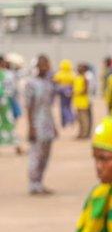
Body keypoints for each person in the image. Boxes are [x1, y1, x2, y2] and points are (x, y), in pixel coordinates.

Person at [25, 55, 57, 195]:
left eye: (47, 64)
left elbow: (49, 106)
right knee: (36, 154)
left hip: (47, 123)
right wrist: (31, 127)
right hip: (37, 124)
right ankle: (33, 184)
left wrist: (54, 126)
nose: (46, 67)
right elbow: (29, 107)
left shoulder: (48, 83)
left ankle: (40, 182)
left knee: (46, 154)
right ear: (38, 66)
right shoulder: (31, 84)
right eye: (43, 65)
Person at [0, 56, 23, 155]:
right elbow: (13, 89)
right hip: (6, 100)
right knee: (9, 123)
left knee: (8, 123)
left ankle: (18, 147)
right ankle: (17, 147)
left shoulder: (7, 74)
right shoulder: (8, 74)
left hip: (6, 100)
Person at [52, 59, 76, 128]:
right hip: (70, 92)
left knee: (63, 107)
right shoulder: (72, 74)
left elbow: (55, 81)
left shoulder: (59, 74)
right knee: (69, 106)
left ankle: (68, 119)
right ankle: (68, 119)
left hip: (62, 93)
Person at [72, 63, 92, 139]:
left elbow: (85, 90)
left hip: (83, 101)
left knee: (84, 119)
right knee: (79, 119)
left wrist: (77, 92)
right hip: (77, 101)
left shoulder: (85, 78)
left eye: (80, 67)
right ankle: (80, 132)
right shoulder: (77, 78)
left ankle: (85, 133)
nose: (78, 69)